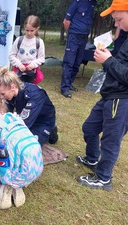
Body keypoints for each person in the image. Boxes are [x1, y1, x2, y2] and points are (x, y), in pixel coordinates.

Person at [76, 0, 128, 191]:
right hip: (109, 95)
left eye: (119, 19)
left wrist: (108, 61)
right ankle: (91, 159)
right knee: (89, 127)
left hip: (121, 99)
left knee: (110, 140)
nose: (116, 24)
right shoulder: (125, 35)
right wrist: (109, 55)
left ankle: (104, 178)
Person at [0, 87, 43, 209]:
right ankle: (18, 186)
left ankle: (3, 185)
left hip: (5, 169)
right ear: (2, 104)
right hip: (26, 170)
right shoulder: (15, 117)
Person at [0, 66, 58, 146]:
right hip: (26, 118)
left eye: (2, 94)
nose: (1, 97)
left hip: (42, 122)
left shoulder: (35, 95)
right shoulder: (11, 93)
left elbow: (24, 123)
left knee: (25, 145)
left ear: (13, 87)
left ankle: (51, 131)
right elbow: (5, 114)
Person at [60, 0, 97, 98]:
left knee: (77, 62)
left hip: (84, 37)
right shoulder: (77, 3)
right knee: (69, 62)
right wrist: (72, 32)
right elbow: (66, 21)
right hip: (74, 36)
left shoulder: (92, 3)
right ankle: (64, 88)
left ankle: (70, 83)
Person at [9, 15, 45, 84]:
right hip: (18, 71)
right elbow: (11, 55)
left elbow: (41, 58)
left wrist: (33, 64)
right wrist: (19, 64)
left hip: (32, 72)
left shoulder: (39, 42)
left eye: (32, 30)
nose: (29, 33)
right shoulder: (19, 40)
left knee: (29, 90)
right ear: (24, 28)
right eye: (27, 30)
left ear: (37, 28)